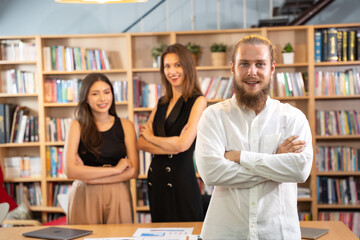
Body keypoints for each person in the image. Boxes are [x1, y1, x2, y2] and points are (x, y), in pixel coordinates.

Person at [195, 35, 313, 239]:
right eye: (244, 64)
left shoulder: (293, 117)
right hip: (225, 233)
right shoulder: (213, 116)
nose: (252, 72)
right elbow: (212, 174)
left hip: (277, 232)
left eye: (260, 64)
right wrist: (276, 162)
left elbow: (300, 170)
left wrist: (240, 156)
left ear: (272, 68)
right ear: (232, 68)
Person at [137, 43, 207, 222]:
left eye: (177, 65)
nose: (172, 71)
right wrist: (173, 144)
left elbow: (183, 145)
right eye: (167, 66)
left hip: (182, 181)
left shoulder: (198, 101)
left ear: (187, 67)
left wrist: (152, 138)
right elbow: (140, 142)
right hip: (156, 180)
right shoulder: (161, 102)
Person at [64, 73, 138, 224]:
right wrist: (116, 170)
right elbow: (70, 171)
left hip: (118, 192)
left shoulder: (126, 125)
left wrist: (91, 177)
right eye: (95, 94)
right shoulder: (76, 126)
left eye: (106, 92)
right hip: (85, 194)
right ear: (85, 97)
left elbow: (134, 171)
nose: (103, 99)